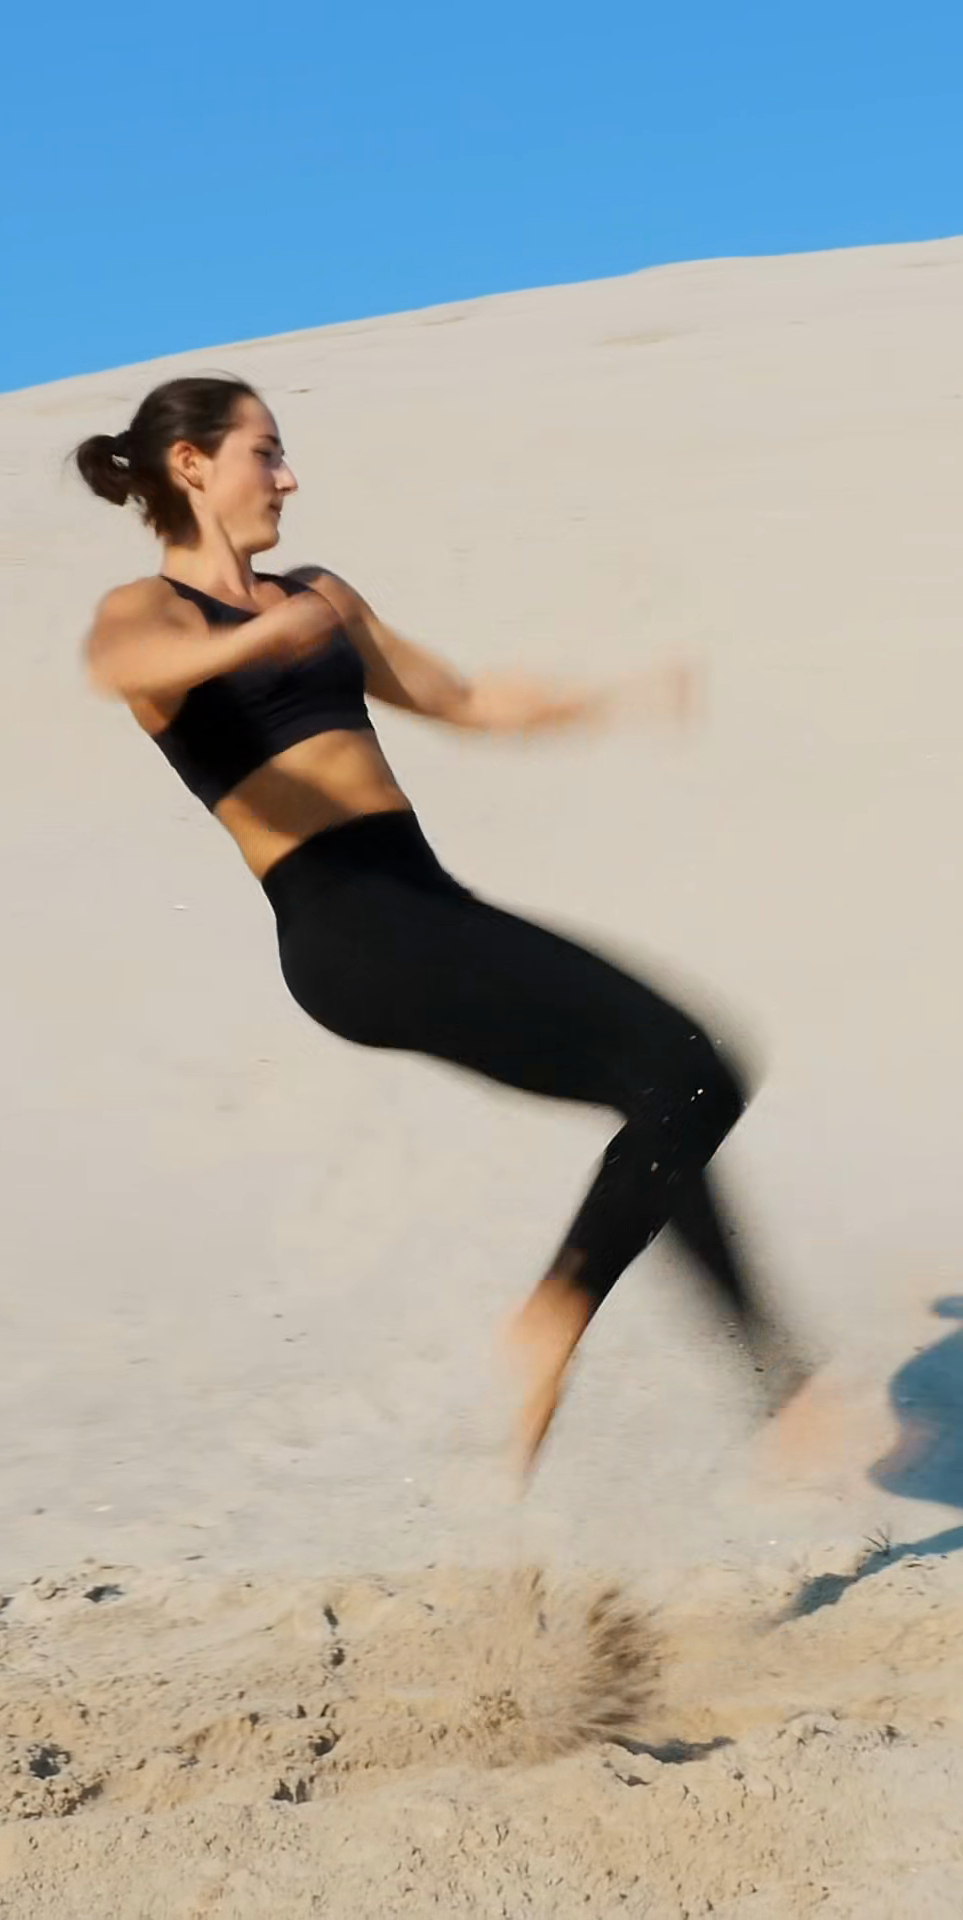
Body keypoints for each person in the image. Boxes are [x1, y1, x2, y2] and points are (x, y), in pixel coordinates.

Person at [75, 373, 807, 1477]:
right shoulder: (156, 611)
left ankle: (627, 1345)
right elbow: (122, 668)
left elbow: (459, 699)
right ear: (192, 465)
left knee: (686, 1077)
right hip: (344, 929)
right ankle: (655, 1351)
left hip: (428, 908)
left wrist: (608, 699)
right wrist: (241, 648)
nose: (287, 476)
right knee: (681, 1068)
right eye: (264, 452)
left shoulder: (317, 594)